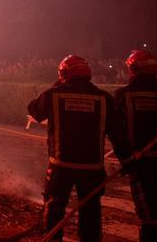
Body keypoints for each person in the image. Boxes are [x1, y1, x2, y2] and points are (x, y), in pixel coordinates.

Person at [28, 55, 130, 241]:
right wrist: (126, 160)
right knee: (90, 210)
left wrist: (55, 85)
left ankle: (52, 238)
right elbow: (118, 133)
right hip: (91, 168)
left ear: (64, 74)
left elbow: (34, 111)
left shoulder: (54, 94)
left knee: (55, 206)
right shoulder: (104, 98)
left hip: (61, 165)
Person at [115, 50, 157, 241]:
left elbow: (116, 132)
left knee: (146, 210)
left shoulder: (123, 95)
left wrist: (126, 159)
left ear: (133, 69)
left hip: (138, 163)